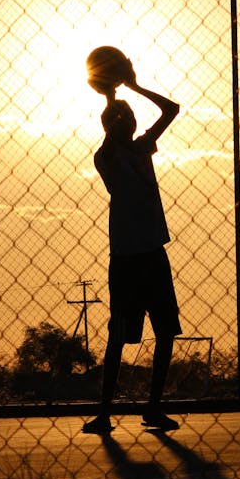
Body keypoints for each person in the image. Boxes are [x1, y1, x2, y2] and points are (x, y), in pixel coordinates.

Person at [82, 59, 181, 434]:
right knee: (118, 337)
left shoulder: (141, 149)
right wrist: (115, 95)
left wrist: (128, 88)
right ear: (111, 125)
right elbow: (124, 123)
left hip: (149, 254)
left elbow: (171, 110)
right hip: (128, 259)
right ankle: (105, 413)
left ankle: (151, 409)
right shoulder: (108, 156)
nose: (125, 122)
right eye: (119, 120)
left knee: (165, 332)